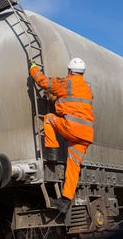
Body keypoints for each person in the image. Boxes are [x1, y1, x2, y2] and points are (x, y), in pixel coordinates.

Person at [30, 58, 94, 214]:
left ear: (70, 71)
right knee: (73, 165)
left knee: (49, 119)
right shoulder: (86, 88)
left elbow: (43, 82)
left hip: (72, 128)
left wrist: (33, 69)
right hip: (86, 135)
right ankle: (65, 201)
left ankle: (51, 151)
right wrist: (55, 99)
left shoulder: (66, 83)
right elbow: (73, 103)